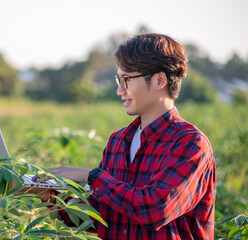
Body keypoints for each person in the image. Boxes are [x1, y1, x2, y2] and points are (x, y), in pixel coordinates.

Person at [31, 33, 216, 239]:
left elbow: (154, 209)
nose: (120, 90)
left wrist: (90, 176)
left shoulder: (190, 143)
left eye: (126, 80)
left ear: (159, 80)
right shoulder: (118, 140)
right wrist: (50, 197)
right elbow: (100, 218)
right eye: (119, 80)